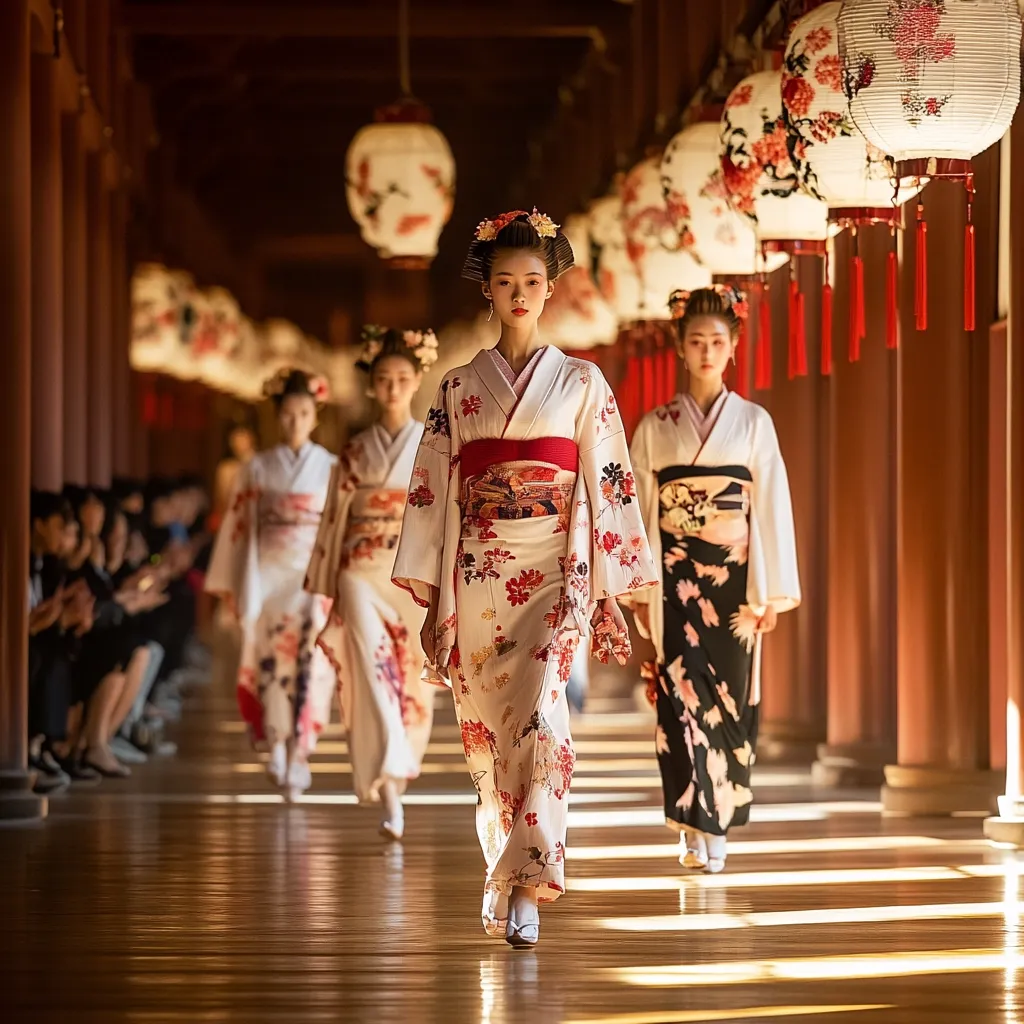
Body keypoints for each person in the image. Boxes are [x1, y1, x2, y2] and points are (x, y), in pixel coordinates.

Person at [391, 209, 658, 947]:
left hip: (553, 567)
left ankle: (532, 883)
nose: (519, 293)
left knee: (543, 713)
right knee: (488, 740)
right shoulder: (456, 388)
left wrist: (610, 584)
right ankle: (505, 870)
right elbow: (434, 491)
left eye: (532, 281)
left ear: (551, 289)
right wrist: (434, 596)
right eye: (504, 281)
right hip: (479, 575)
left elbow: (609, 482)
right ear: (488, 290)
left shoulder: (582, 381)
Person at [628, 286, 801, 874]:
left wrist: (771, 590)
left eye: (717, 342)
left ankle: (716, 822)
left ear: (732, 348)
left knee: (728, 701)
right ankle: (689, 818)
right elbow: (639, 510)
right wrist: (637, 586)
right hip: (675, 578)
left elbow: (771, 507)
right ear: (679, 347)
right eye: (696, 341)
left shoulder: (754, 422)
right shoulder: (655, 427)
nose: (707, 351)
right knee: (678, 699)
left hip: (735, 585)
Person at [305, 326, 440, 840]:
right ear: (371, 384)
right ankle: (388, 786)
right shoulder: (355, 451)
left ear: (415, 382)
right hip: (359, 569)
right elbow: (334, 521)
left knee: (409, 675)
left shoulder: (432, 444)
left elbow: (440, 515)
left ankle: (396, 780)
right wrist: (326, 580)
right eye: (383, 379)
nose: (392, 387)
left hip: (408, 574)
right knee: (369, 667)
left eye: (402, 378)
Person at [206, 369, 338, 800]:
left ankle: (300, 752)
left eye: (303, 413)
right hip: (268, 575)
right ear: (277, 417)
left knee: (311, 666)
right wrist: (245, 583)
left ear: (314, 416)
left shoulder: (331, 467)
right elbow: (240, 527)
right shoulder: (257, 468)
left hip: (312, 577)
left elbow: (337, 529)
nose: (295, 421)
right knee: (272, 663)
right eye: (287, 414)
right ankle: (277, 745)